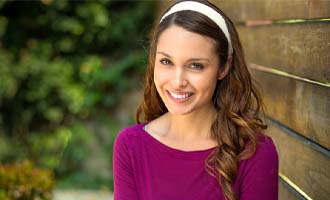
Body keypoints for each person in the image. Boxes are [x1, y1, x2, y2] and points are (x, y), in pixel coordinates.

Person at [113, 1, 278, 200]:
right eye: (166, 62)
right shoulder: (131, 145)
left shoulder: (254, 152)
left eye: (196, 66)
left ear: (224, 67)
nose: (177, 81)